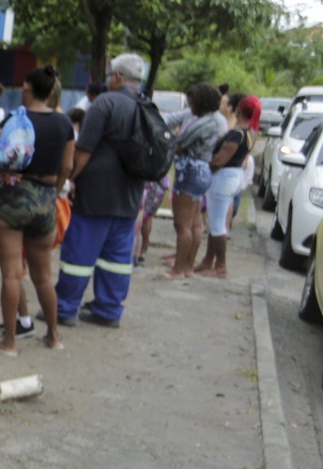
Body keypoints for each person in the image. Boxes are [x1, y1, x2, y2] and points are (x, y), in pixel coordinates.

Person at [0, 65, 73, 355]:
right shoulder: (64, 123)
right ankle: (53, 336)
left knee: (11, 274)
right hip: (45, 199)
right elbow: (67, 166)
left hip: (13, 198)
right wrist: (53, 192)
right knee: (43, 275)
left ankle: (10, 342)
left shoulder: (14, 119)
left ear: (27, 88)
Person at [55, 53, 152, 325]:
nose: (108, 79)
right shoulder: (147, 106)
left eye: (110, 75)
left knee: (79, 254)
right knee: (118, 258)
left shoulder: (105, 103)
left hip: (97, 194)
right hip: (131, 195)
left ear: (118, 77)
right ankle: (108, 310)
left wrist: (69, 179)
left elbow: (83, 151)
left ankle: (64, 309)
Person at [159, 82, 224, 282]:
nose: (190, 105)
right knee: (196, 223)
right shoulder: (214, 121)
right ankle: (187, 268)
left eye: (191, 102)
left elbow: (180, 144)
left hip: (189, 171)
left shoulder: (201, 123)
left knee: (182, 225)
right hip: (203, 172)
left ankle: (177, 269)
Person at [196, 96, 257, 278]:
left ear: (238, 110)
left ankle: (220, 265)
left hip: (224, 177)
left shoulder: (236, 135)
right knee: (216, 220)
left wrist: (205, 163)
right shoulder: (249, 134)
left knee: (217, 224)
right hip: (233, 176)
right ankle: (208, 260)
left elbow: (220, 160)